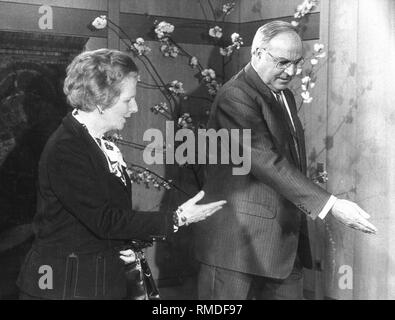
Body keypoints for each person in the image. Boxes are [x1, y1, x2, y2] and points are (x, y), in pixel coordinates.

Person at [16, 48, 226, 300]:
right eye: (128, 100)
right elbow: (106, 220)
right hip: (63, 288)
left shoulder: (96, 143)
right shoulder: (67, 148)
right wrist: (178, 218)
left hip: (92, 279)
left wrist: (125, 244)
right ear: (101, 101)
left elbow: (102, 216)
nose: (135, 108)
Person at [194, 21, 377, 300]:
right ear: (257, 53)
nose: (291, 72)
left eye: (297, 63)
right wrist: (331, 205)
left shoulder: (284, 95)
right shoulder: (235, 96)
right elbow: (266, 160)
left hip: (281, 244)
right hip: (235, 247)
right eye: (282, 62)